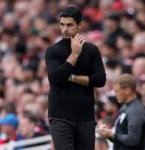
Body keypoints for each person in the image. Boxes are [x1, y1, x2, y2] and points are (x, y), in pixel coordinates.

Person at [45, 6, 106, 150]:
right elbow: (54, 78)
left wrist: (70, 76)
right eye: (62, 24)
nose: (65, 29)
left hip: (85, 116)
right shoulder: (53, 51)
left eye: (69, 25)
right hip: (60, 116)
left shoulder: (91, 50)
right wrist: (74, 55)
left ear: (79, 25)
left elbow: (100, 79)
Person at [97, 74, 145, 150]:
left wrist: (112, 134)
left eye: (117, 91)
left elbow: (133, 139)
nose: (115, 95)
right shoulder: (125, 107)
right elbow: (120, 140)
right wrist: (108, 135)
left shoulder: (136, 111)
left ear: (128, 91)